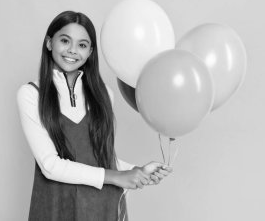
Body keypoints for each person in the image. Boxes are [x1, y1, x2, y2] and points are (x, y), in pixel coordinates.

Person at [17, 11, 172, 221]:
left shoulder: (104, 94)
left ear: (90, 51)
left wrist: (136, 171)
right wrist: (118, 177)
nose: (72, 50)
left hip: (102, 207)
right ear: (49, 43)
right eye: (65, 41)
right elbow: (50, 166)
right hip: (56, 206)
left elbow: (101, 155)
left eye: (82, 45)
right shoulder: (31, 95)